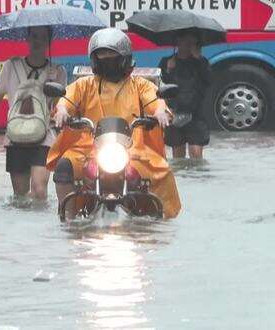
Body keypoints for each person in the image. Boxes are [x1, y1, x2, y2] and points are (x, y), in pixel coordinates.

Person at [48, 28, 181, 219]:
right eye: (102, 56)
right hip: (90, 149)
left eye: (112, 55)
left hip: (134, 149)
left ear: (124, 58)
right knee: (64, 165)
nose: (107, 60)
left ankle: (156, 218)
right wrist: (61, 111)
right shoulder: (84, 84)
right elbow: (67, 100)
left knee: (161, 170)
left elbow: (155, 101)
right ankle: (67, 218)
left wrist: (160, 113)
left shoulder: (140, 85)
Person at [0, 26, 67, 202]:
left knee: (40, 191)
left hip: (45, 137)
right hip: (15, 136)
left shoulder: (58, 71)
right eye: (33, 36)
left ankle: (40, 229)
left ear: (49, 41)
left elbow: (60, 105)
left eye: (42, 37)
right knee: (20, 196)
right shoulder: (11, 66)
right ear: (27, 38)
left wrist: (60, 113)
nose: (37, 41)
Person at [158, 30, 211, 159]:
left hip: (196, 113)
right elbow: (160, 86)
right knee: (178, 152)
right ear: (178, 43)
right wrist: (168, 71)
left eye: (192, 43)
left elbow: (209, 81)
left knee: (196, 151)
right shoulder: (166, 62)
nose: (188, 46)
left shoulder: (201, 62)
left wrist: (199, 60)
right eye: (186, 42)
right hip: (174, 111)